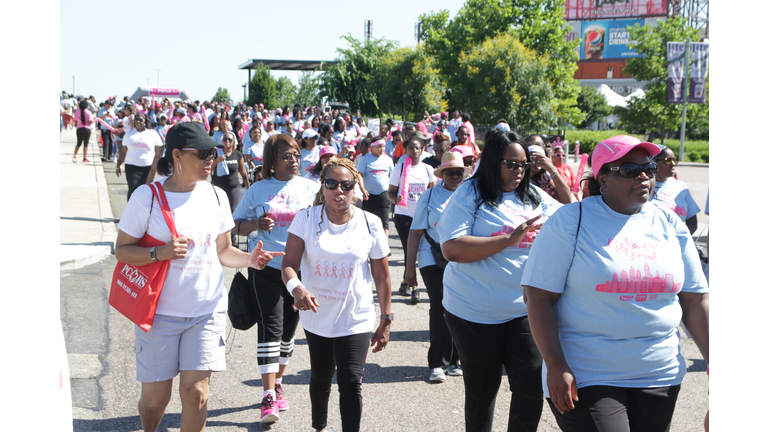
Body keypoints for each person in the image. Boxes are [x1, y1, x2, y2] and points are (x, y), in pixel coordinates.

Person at [521, 135, 709, 432]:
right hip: (588, 373)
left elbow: (695, 300)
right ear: (603, 178)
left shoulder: (670, 223)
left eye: (648, 167)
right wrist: (556, 365)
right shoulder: (571, 221)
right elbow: (538, 297)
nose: (644, 175)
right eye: (629, 169)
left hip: (660, 372)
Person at [114, 121, 283, 432]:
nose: (211, 159)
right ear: (177, 155)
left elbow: (223, 250)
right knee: (155, 401)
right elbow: (122, 250)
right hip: (158, 314)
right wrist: (158, 253)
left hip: (206, 311)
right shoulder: (146, 197)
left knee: (196, 393)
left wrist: (250, 259)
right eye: (203, 153)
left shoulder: (217, 196)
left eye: (214, 152)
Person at [437, 129, 561, 432]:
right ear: (494, 161)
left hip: (524, 310)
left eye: (524, 164)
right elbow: (451, 248)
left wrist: (552, 170)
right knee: (482, 392)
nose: (519, 171)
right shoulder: (470, 193)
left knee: (532, 386)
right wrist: (508, 239)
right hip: (472, 312)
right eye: (512, 164)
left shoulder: (532, 195)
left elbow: (571, 215)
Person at [281, 157, 392, 432]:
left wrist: (386, 317)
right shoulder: (306, 218)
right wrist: (298, 288)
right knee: (320, 376)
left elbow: (382, 274)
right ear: (323, 186)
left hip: (356, 316)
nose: (339, 191)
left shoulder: (371, 223)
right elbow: (288, 265)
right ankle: (319, 426)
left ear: (355, 188)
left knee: (351, 380)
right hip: (317, 315)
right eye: (332, 184)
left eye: (346, 184)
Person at [232, 134, 320, 424]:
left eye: (295, 154)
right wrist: (255, 224)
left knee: (288, 334)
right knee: (271, 329)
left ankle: (278, 381)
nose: (293, 159)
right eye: (286, 155)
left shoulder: (311, 188)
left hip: (298, 272)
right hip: (265, 269)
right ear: (272, 161)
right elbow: (234, 226)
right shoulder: (257, 190)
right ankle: (268, 395)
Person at [405, 152, 470, 382]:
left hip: (461, 258)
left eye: (458, 172)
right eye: (450, 172)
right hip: (431, 255)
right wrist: (409, 269)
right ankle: (437, 363)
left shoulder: (469, 194)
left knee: (459, 307)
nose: (455, 176)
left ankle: (455, 360)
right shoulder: (430, 196)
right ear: (441, 174)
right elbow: (415, 233)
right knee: (440, 305)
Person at [388, 137, 436, 304]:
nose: (414, 152)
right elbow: (390, 192)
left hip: (422, 216)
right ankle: (414, 286)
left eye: (417, 148)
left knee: (419, 251)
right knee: (410, 252)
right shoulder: (399, 168)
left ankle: (405, 282)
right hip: (404, 216)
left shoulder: (428, 169)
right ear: (406, 150)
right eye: (410, 148)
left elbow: (433, 193)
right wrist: (395, 200)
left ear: (422, 149)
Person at [650, 145, 700, 235]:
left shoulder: (681, 187)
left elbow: (692, 223)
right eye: (668, 161)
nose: (673, 164)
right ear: (654, 162)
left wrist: (680, 240)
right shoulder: (644, 186)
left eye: (675, 160)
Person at [116, 113, 164, 201]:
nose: (138, 122)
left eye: (141, 120)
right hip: (131, 166)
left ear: (145, 121)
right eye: (136, 120)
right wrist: (118, 164)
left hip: (148, 168)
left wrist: (158, 165)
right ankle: (131, 211)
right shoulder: (129, 134)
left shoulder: (152, 133)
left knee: (146, 190)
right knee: (133, 189)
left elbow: (159, 150)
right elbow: (123, 151)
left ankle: (143, 212)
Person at [358, 137, 395, 240]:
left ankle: (384, 247)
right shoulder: (365, 159)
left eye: (383, 146)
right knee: (367, 221)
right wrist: (362, 189)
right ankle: (367, 243)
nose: (382, 149)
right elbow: (359, 175)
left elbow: (392, 176)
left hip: (384, 193)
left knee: (384, 220)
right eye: (379, 147)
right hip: (368, 194)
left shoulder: (388, 159)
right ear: (372, 147)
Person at [211, 131, 250, 219]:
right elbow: (210, 169)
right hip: (218, 187)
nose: (227, 141)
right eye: (225, 139)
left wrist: (248, 186)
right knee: (219, 213)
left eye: (230, 139)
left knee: (234, 210)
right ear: (222, 141)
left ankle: (233, 232)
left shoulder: (237, 154)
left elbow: (243, 172)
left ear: (233, 142)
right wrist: (217, 161)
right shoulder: (217, 153)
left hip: (234, 188)